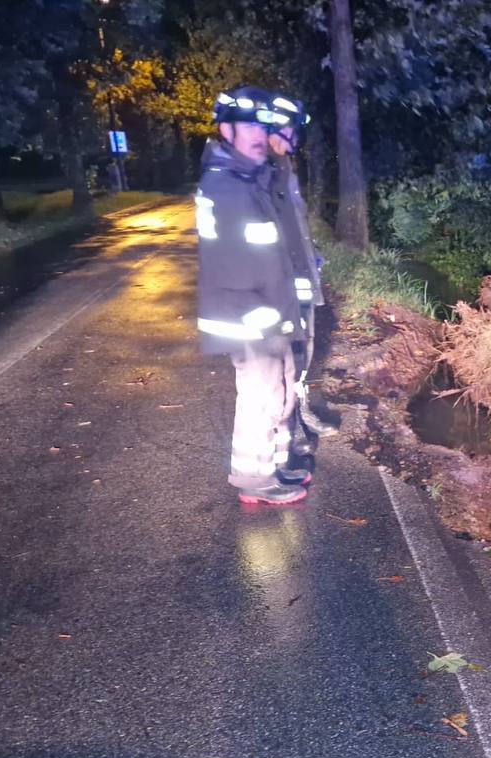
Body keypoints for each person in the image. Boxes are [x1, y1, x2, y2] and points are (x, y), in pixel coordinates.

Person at [196, 86, 311, 505]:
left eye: (263, 127)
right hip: (249, 316)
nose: (259, 135)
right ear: (226, 130)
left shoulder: (248, 178)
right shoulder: (227, 184)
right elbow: (232, 264)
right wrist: (266, 314)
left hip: (267, 310)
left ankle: (275, 466)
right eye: (248, 127)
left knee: (278, 391)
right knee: (261, 397)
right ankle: (253, 479)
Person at [263, 93, 338, 460]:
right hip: (277, 287)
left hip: (300, 278)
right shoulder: (259, 172)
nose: (294, 137)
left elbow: (295, 226)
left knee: (302, 355)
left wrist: (312, 259)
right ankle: (287, 432)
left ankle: (299, 417)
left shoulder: (284, 167)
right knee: (282, 362)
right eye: (289, 129)